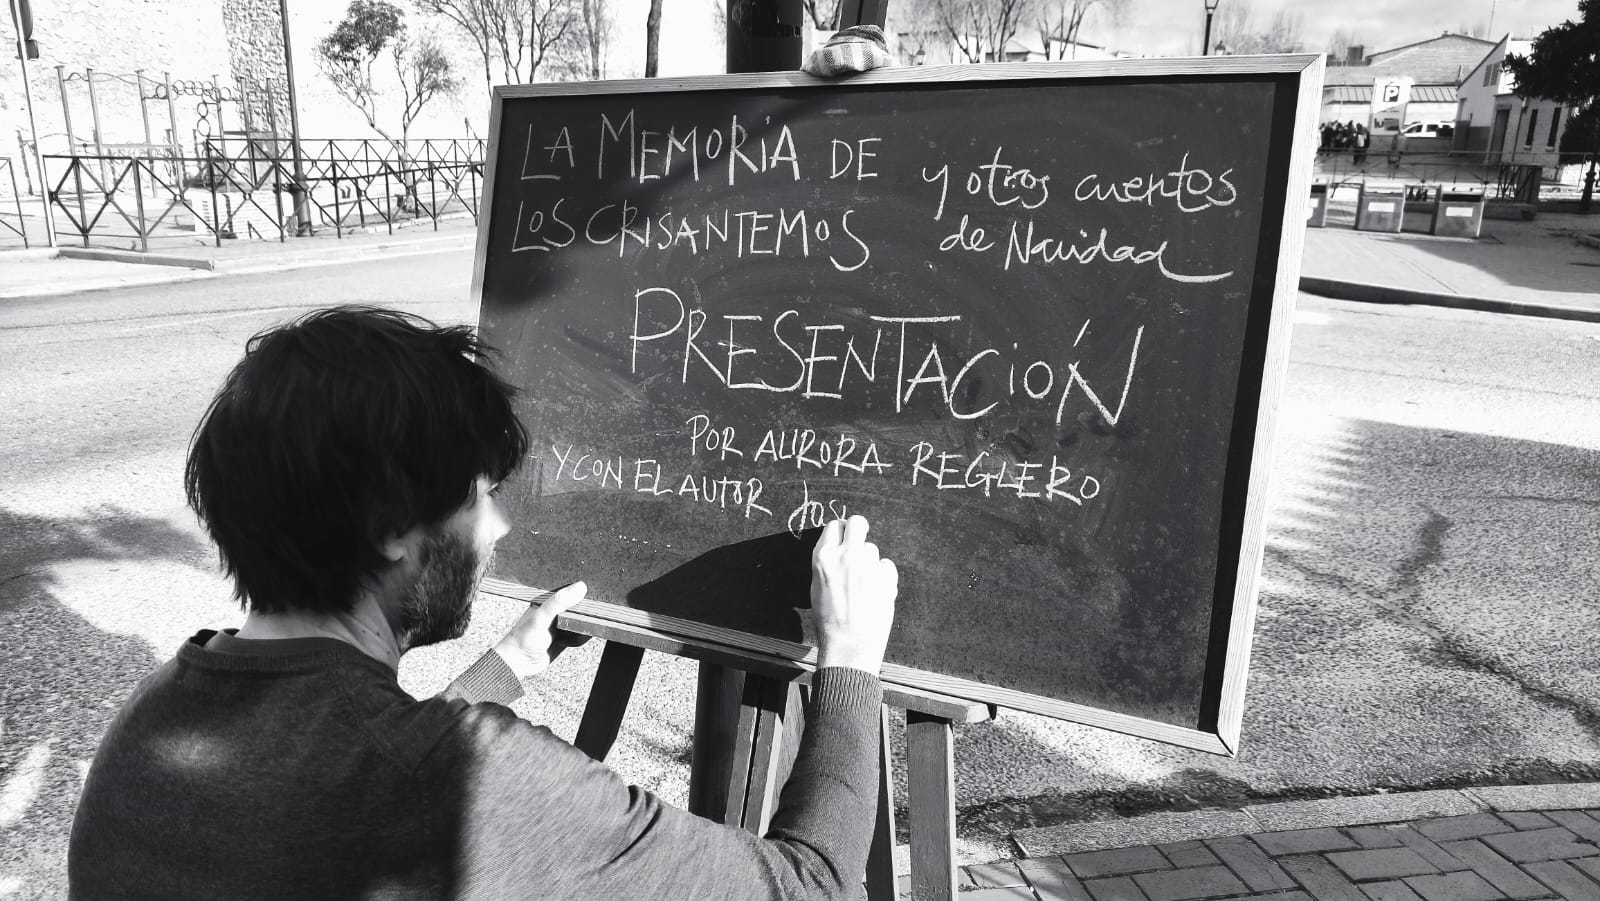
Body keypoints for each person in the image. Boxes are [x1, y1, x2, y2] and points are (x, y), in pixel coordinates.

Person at [67, 306, 901, 900]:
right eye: (478, 496)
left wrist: (502, 670)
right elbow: (813, 885)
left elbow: (355, 780)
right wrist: (851, 662)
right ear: (392, 527)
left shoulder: (148, 727)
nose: (498, 527)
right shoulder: (483, 780)